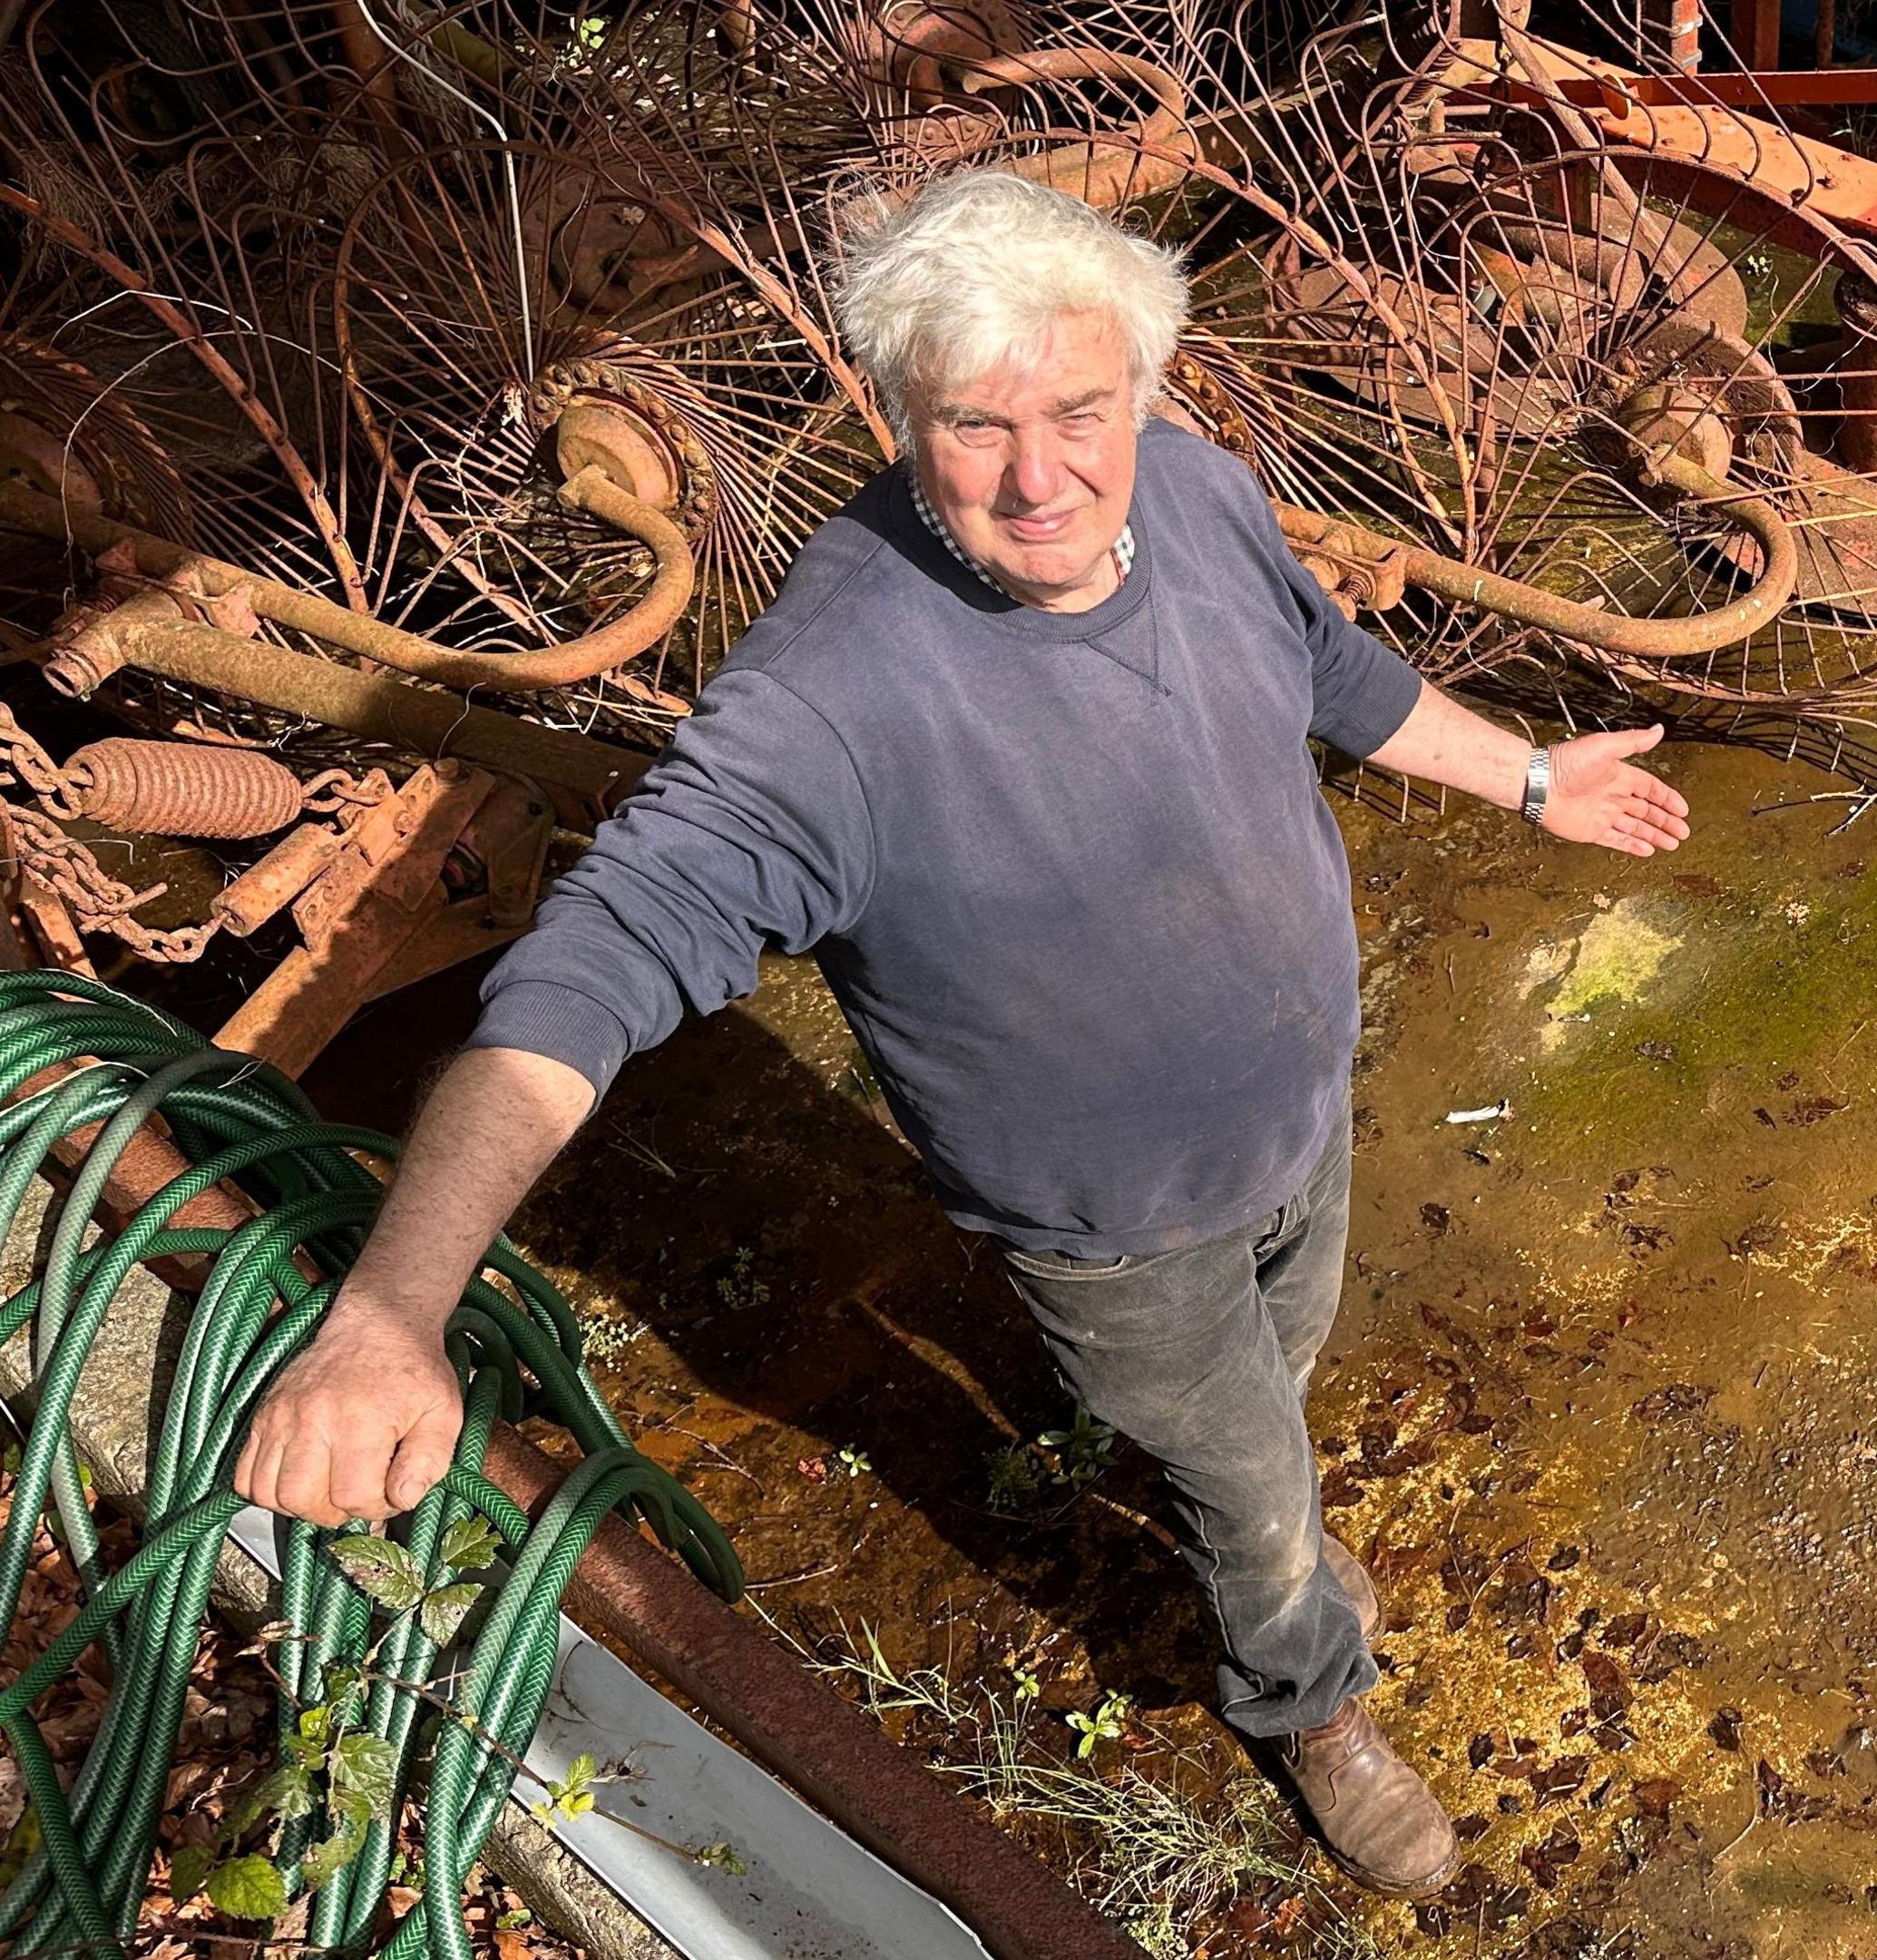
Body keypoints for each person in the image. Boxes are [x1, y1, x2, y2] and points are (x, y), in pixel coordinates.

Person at [230, 169, 1690, 1897]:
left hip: (1304, 1112)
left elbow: (1329, 670)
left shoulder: (1205, 496)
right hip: (1113, 1229)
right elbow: (588, 969)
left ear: (1143, 384)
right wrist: (394, 1309)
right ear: (899, 413)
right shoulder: (827, 706)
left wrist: (1526, 774)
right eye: (973, 424)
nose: (1042, 477)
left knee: (1266, 1400)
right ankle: (1301, 1694)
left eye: (1080, 410)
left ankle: (1259, 1499)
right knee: (1246, 1490)